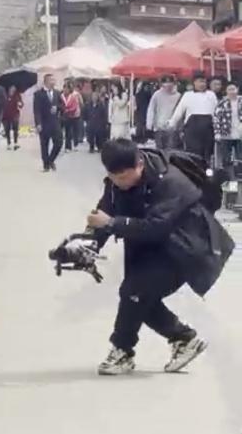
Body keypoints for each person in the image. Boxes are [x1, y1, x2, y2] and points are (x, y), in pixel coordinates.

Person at [87, 139, 208, 376]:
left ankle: (122, 350)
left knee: (135, 292)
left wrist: (112, 223)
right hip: (149, 248)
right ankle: (185, 339)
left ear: (140, 164)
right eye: (114, 178)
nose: (119, 184)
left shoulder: (171, 183)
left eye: (124, 177)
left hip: (182, 248)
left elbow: (156, 228)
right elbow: (105, 211)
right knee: (138, 297)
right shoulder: (114, 183)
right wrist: (87, 243)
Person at [168, 72, 217, 164]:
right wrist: (172, 123)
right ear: (194, 83)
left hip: (208, 128)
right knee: (193, 153)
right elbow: (179, 111)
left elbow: (216, 112)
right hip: (192, 128)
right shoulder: (188, 95)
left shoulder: (211, 95)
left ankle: (206, 172)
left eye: (204, 82)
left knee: (207, 153)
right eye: (200, 82)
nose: (202, 84)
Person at [33, 74, 64, 172]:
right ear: (46, 81)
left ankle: (51, 160)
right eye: (51, 80)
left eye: (54, 80)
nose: (53, 82)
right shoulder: (38, 94)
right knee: (44, 145)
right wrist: (38, 124)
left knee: (59, 142)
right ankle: (46, 165)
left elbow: (63, 106)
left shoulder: (57, 93)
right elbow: (36, 110)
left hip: (55, 123)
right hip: (44, 123)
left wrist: (57, 108)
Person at [146, 76, 181, 151]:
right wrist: (149, 124)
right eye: (165, 83)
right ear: (162, 84)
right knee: (160, 151)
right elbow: (151, 109)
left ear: (173, 84)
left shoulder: (178, 96)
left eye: (170, 83)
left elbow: (180, 112)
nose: (168, 85)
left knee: (171, 151)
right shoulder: (157, 95)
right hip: (159, 128)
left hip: (172, 129)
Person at [213, 81, 242, 172]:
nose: (232, 91)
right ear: (226, 91)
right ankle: (229, 178)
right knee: (226, 159)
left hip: (240, 135)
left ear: (237, 90)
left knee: (240, 157)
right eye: (229, 89)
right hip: (226, 134)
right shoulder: (222, 103)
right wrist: (217, 133)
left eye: (233, 89)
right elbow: (216, 119)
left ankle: (240, 177)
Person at [62, 80, 83, 152]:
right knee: (68, 132)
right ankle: (68, 147)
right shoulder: (61, 96)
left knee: (75, 131)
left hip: (75, 115)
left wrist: (68, 110)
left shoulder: (74, 95)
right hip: (66, 116)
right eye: (64, 88)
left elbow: (77, 105)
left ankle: (75, 144)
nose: (65, 90)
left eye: (67, 88)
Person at [2, 85, 23, 150]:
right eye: (12, 87)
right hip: (5, 115)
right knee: (7, 129)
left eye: (14, 87)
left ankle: (15, 143)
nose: (13, 88)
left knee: (15, 128)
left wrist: (20, 104)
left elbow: (21, 104)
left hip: (15, 114)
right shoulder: (4, 94)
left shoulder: (17, 95)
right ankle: (8, 143)